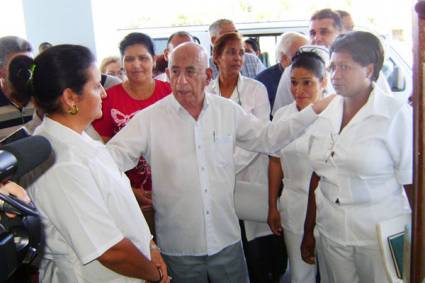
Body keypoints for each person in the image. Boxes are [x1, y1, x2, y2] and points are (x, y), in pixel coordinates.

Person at [105, 42, 333, 283]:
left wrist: (314, 110)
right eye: (175, 71)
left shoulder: (227, 112)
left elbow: (269, 138)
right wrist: (129, 192)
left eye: (190, 71)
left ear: (207, 75)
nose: (181, 81)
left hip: (226, 241)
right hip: (179, 246)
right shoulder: (150, 119)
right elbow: (109, 160)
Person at [9, 44, 168, 282]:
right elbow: (109, 250)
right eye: (96, 86)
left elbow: (123, 209)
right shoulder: (61, 164)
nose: (104, 93)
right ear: (70, 98)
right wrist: (154, 274)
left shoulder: (83, 138)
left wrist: (152, 249)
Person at [301, 31, 412, 283]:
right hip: (331, 231)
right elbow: (318, 176)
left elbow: (412, 183)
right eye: (332, 66)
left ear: (369, 70)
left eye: (344, 67)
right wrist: (309, 230)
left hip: (378, 235)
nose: (335, 75)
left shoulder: (393, 115)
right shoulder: (327, 112)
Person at [206, 32, 286, 282]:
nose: (238, 58)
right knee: (230, 245)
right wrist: (219, 169)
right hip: (217, 184)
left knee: (258, 253)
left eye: (241, 52)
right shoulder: (206, 93)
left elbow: (259, 138)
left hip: (250, 176)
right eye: (230, 52)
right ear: (216, 57)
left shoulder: (256, 90)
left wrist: (225, 167)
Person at [268, 50, 328, 283]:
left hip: (328, 206)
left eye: (307, 83)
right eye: (293, 83)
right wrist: (272, 205)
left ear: (323, 82)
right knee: (301, 272)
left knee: (335, 272)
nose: (298, 90)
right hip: (293, 204)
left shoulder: (335, 115)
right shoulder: (283, 115)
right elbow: (275, 161)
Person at [93, 32, 172, 206]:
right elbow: (104, 153)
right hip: (128, 194)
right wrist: (129, 189)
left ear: (153, 59)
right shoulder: (107, 99)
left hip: (173, 188)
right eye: (129, 59)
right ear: (122, 62)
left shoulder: (171, 93)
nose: (136, 65)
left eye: (143, 58)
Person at [256, 32, 308, 111]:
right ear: (284, 58)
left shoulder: (311, 76)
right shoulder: (262, 83)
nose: (307, 60)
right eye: (301, 56)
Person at [0, 36, 34, 139]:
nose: (27, 72)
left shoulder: (44, 99)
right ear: (1, 71)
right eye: (18, 66)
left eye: (30, 64)